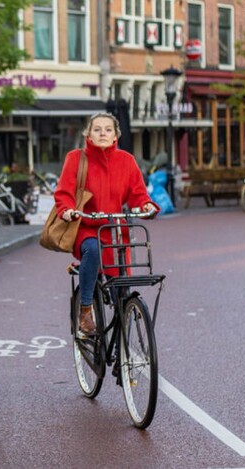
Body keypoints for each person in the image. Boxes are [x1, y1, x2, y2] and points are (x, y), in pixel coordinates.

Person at [54, 112, 159, 335]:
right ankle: (85, 309)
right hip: (86, 227)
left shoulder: (126, 161)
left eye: (108, 129)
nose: (103, 133)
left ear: (115, 136)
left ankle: (123, 350)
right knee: (92, 250)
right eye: (97, 129)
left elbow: (138, 194)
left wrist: (147, 206)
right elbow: (64, 193)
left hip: (115, 232)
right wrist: (68, 210)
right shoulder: (76, 158)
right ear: (88, 134)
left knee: (121, 294)